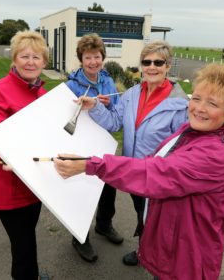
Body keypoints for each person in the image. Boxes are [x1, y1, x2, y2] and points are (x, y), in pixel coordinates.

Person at [54, 63, 224, 280]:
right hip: (173, 241)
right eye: (196, 98)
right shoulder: (194, 130)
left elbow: (158, 172)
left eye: (212, 103)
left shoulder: (218, 155)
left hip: (188, 257)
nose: (199, 108)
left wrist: (91, 165)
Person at [75, 40, 189, 266]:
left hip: (160, 176)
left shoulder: (180, 104)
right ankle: (145, 252)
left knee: (158, 220)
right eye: (147, 62)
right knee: (142, 213)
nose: (152, 67)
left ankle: (159, 260)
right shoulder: (132, 94)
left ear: (168, 66)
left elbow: (182, 147)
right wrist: (95, 107)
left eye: (159, 62)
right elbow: (115, 121)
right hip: (135, 171)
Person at [0, 31, 50, 280]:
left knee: (27, 238)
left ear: (44, 62)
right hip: (10, 186)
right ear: (15, 59)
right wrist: (16, 152)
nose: (31, 61)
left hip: (34, 183)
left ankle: (32, 274)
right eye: (25, 56)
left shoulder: (42, 93)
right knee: (22, 248)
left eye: (37, 57)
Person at [65, 33, 123, 262]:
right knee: (82, 191)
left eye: (97, 57)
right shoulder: (71, 85)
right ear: (81, 59)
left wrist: (107, 105)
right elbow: (65, 116)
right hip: (80, 144)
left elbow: (116, 114)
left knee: (109, 188)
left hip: (105, 142)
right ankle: (79, 238)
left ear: (102, 57)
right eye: (88, 57)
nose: (93, 62)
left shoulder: (107, 80)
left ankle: (104, 225)